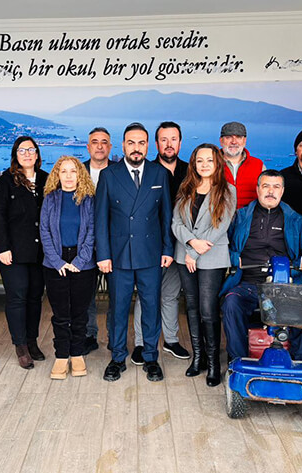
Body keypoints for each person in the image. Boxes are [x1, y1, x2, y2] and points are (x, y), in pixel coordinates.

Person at [95, 122, 173, 382]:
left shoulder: (159, 174)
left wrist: (168, 249)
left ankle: (151, 357)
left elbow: (166, 216)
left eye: (141, 143)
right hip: (118, 255)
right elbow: (101, 219)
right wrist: (103, 254)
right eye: (131, 143)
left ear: (148, 146)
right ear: (123, 145)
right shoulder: (109, 175)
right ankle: (117, 358)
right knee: (117, 309)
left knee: (151, 307)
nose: (136, 148)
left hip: (151, 254)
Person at [221, 169, 302, 366]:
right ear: (258, 189)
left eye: (276, 187)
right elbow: (225, 245)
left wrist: (294, 267)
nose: (270, 191)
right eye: (266, 186)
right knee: (231, 302)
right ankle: (238, 360)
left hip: (286, 283)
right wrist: (234, 259)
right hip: (249, 283)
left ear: (282, 191)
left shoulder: (295, 219)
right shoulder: (240, 216)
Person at [171, 144, 234, 386]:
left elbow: (220, 226)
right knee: (192, 307)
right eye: (200, 160)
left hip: (211, 258)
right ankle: (198, 358)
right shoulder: (185, 188)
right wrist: (190, 244)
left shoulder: (228, 190)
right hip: (185, 256)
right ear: (194, 164)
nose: (204, 164)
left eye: (209, 160)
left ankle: (213, 362)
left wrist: (193, 252)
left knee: (208, 310)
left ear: (217, 163)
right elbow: (176, 223)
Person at [132, 121, 191, 364]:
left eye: (173, 139)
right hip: (152, 245)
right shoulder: (146, 170)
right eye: (163, 139)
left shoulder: (191, 171)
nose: (169, 144)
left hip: (182, 244)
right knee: (146, 295)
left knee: (170, 295)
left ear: (180, 142)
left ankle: (171, 340)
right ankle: (140, 343)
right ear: (156, 144)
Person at [0, 136, 49, 369]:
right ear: (15, 155)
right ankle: (20, 345)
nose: (27, 154)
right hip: (13, 252)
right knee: (17, 297)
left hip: (40, 252)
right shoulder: (6, 180)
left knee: (35, 297)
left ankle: (32, 341)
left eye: (31, 150)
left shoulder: (46, 179)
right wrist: (2, 248)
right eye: (22, 150)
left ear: (37, 154)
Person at [40, 156, 98, 379]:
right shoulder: (50, 199)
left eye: (73, 171)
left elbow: (92, 232)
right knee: (60, 314)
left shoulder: (88, 200)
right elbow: (44, 231)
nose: (68, 176)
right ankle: (62, 356)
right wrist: (57, 262)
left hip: (83, 263)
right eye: (63, 171)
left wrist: (80, 261)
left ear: (80, 175)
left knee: (80, 313)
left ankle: (77, 354)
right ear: (57, 175)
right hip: (55, 263)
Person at [83, 127, 112, 353]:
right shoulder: (77, 172)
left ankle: (114, 337)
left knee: (116, 295)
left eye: (104, 142)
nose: (99, 146)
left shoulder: (120, 172)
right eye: (95, 142)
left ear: (110, 147)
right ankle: (88, 336)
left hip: (113, 245)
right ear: (88, 147)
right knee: (86, 296)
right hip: (83, 246)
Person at [219, 121, 266, 209]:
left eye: (238, 137)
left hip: (250, 216)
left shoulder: (258, 165)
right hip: (217, 216)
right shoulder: (211, 164)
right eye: (228, 137)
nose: (234, 142)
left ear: (244, 141)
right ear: (221, 141)